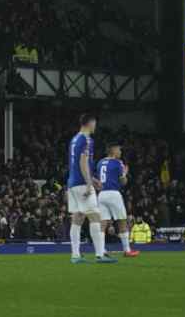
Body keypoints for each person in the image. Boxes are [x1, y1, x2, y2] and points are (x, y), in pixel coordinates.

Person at [66, 113, 114, 264]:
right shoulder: (87, 139)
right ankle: (100, 254)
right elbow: (82, 162)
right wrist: (89, 183)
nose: (95, 126)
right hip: (82, 184)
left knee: (77, 218)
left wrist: (93, 179)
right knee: (95, 217)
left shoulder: (74, 139)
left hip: (72, 183)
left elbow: (76, 164)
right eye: (95, 123)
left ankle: (75, 255)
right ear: (90, 123)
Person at [96, 142, 138, 257]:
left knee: (102, 223)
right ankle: (127, 250)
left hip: (101, 194)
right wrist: (125, 173)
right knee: (122, 221)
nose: (120, 152)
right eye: (119, 150)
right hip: (113, 193)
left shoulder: (100, 163)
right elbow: (123, 182)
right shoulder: (117, 162)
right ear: (113, 151)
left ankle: (101, 250)